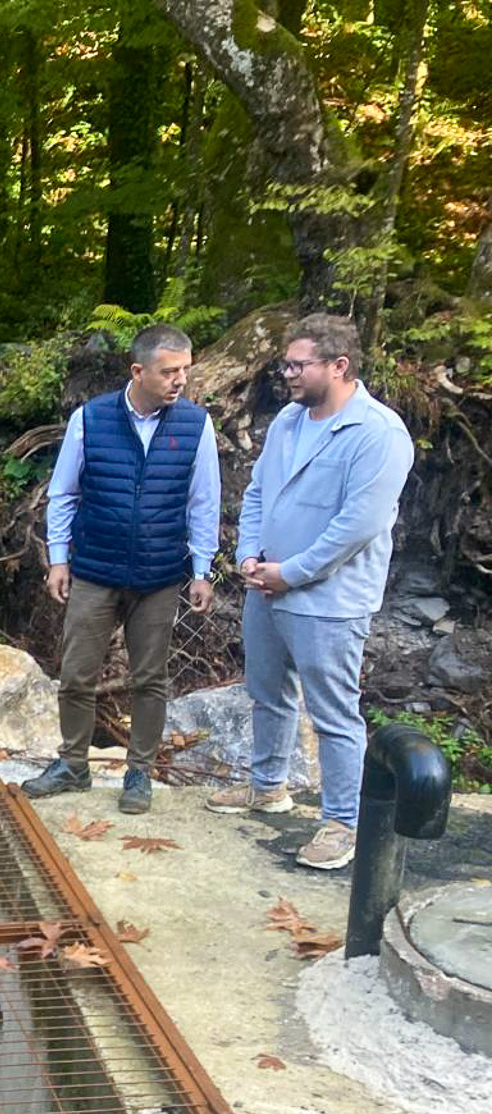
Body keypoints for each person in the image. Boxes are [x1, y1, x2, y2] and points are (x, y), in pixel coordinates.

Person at [211, 312, 416, 869]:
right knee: (267, 692)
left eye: (299, 365)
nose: (287, 374)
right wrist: (249, 555)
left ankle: (341, 823)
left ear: (339, 366)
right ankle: (267, 786)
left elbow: (358, 526)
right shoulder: (287, 422)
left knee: (334, 713)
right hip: (266, 587)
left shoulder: (379, 434)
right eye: (286, 363)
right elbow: (257, 493)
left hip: (328, 602)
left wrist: (291, 572)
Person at [22, 325, 221, 816]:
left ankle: (140, 772)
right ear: (138, 371)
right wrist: (59, 559)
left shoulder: (196, 425)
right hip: (94, 568)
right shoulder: (90, 420)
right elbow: (64, 493)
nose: (180, 381)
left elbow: (204, 503)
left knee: (150, 678)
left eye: (185, 371)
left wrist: (202, 569)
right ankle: (72, 763)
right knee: (75, 674)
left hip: (158, 575)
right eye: (169, 371)